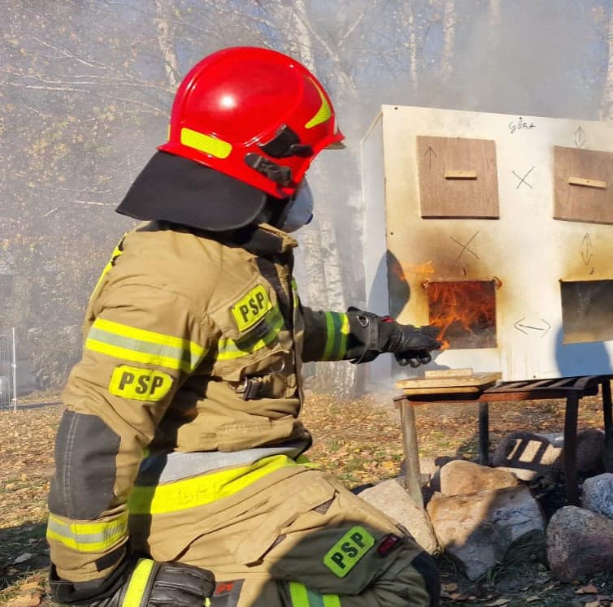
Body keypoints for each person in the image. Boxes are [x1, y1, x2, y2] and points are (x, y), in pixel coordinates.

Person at [45, 48, 444, 607]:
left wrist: (377, 337)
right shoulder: (170, 277)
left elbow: (275, 334)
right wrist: (100, 586)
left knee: (411, 571)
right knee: (402, 589)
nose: (307, 188)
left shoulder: (227, 252)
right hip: (200, 494)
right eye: (306, 167)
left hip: (244, 474)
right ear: (270, 167)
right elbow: (95, 435)